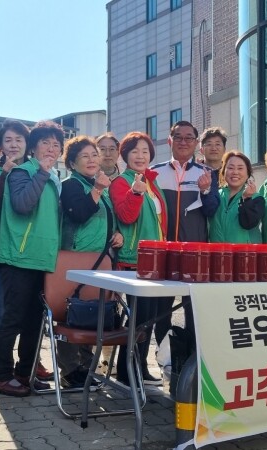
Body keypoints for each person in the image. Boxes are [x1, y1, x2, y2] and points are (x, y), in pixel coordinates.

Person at [0, 121, 62, 397]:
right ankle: (1, 375)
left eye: (56, 144)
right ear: (33, 147)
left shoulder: (53, 177)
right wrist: (42, 173)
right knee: (13, 317)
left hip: (42, 258)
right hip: (17, 257)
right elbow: (22, 205)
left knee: (34, 320)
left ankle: (25, 372)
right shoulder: (22, 172)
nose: (51, 148)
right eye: (45, 143)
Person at [58, 135, 124, 388]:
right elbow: (79, 214)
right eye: (84, 156)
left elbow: (108, 219)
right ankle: (69, 370)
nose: (91, 159)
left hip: (99, 260)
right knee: (70, 313)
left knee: (91, 313)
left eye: (94, 155)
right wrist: (97, 189)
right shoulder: (71, 185)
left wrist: (117, 234)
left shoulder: (99, 187)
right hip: (75, 259)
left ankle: (87, 367)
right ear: (72, 163)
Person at [150, 120, 220, 347]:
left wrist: (205, 191)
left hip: (194, 252)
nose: (183, 142)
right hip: (163, 251)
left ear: (196, 143)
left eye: (189, 138)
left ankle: (190, 358)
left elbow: (211, 210)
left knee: (193, 308)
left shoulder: (206, 173)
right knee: (161, 309)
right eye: (178, 137)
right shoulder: (154, 172)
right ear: (169, 141)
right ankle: (163, 356)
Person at [110, 131, 168, 386]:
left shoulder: (152, 183)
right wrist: (135, 193)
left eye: (145, 151)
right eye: (135, 151)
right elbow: (126, 217)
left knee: (148, 317)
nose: (140, 156)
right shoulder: (121, 183)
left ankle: (139, 366)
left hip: (156, 259)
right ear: (125, 155)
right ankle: (128, 371)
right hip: (135, 258)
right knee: (139, 317)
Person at [208, 151, 264, 243]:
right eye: (230, 168)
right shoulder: (215, 195)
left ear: (248, 173)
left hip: (245, 251)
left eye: (240, 168)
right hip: (218, 250)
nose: (235, 172)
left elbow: (248, 223)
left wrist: (246, 199)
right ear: (224, 172)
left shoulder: (257, 198)